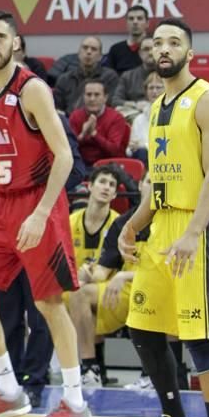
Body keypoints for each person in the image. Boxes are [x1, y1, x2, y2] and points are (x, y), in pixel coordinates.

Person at [0, 11, 92, 417]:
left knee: (49, 304)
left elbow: (65, 156)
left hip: (39, 201)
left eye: (1, 36)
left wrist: (40, 213)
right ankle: (9, 393)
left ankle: (74, 402)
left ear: (16, 43)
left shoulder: (32, 89)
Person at [118, 19, 209, 417]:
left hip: (199, 229)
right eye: (158, 42)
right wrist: (133, 223)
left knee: (201, 335)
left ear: (190, 52)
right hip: (161, 229)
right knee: (143, 325)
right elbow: (157, 178)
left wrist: (194, 232)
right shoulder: (156, 107)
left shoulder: (206, 100)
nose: (165, 48)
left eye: (174, 42)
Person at [65, 164, 127, 385]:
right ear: (89, 186)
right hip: (76, 289)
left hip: (113, 294)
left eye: (111, 185)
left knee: (80, 296)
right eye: (102, 182)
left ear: (116, 193)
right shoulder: (71, 221)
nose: (106, 187)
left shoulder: (120, 223)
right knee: (70, 297)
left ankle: (89, 367)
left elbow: (111, 270)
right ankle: (94, 370)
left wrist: (89, 277)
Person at [69, 80, 130, 168]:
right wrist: (82, 135)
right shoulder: (75, 116)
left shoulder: (116, 118)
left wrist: (94, 134)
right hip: (81, 165)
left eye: (97, 95)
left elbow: (114, 151)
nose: (92, 99)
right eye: (88, 94)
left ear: (105, 97)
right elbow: (69, 149)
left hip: (109, 166)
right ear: (83, 97)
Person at [107, 5, 150, 75]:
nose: (135, 22)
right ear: (126, 23)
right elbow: (109, 77)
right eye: (131, 19)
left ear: (147, 23)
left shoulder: (155, 47)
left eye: (139, 18)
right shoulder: (115, 50)